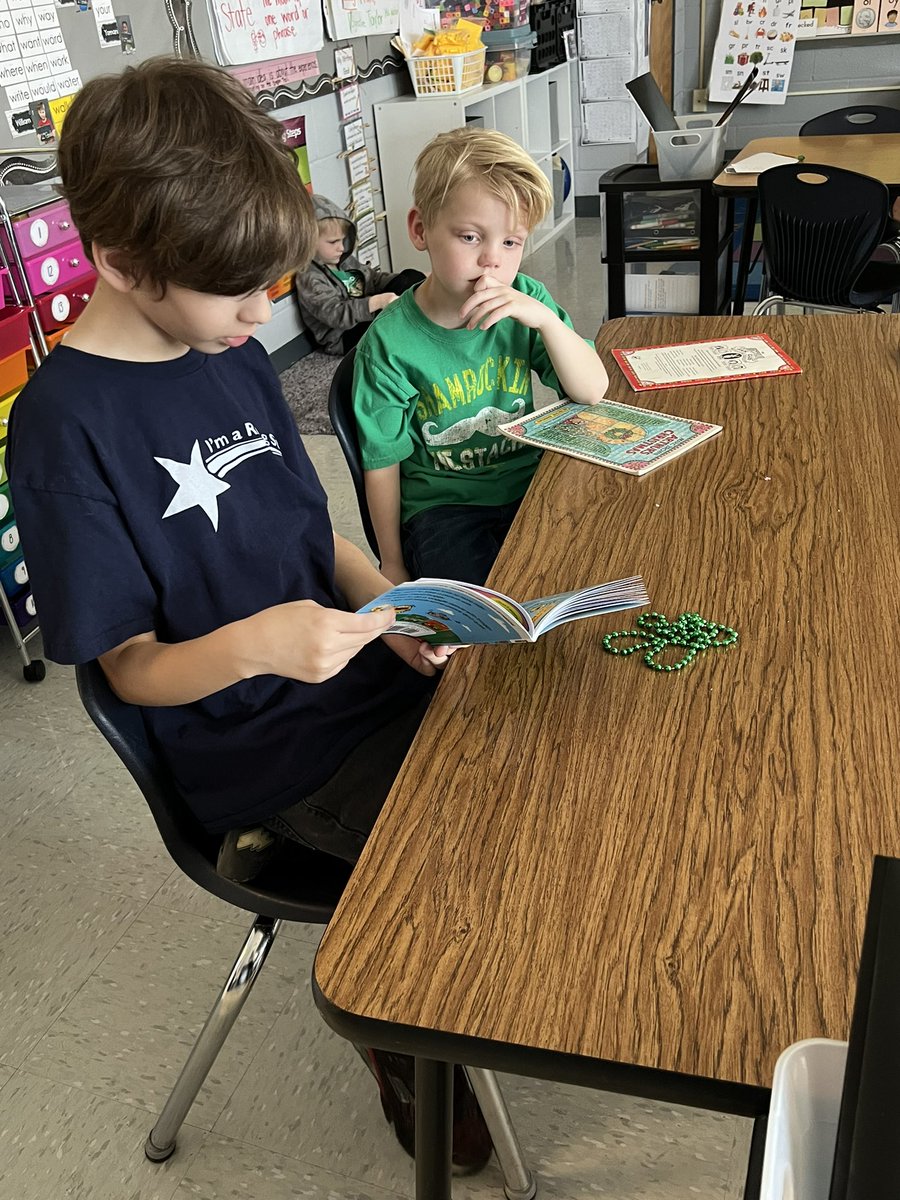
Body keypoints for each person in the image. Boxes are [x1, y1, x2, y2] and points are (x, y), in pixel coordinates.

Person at [7, 57, 490, 1172]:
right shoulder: (65, 429)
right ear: (123, 266)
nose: (265, 313)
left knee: (532, 751)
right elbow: (128, 668)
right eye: (241, 295)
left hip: (360, 672)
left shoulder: (219, 344)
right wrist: (263, 642)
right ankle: (404, 1034)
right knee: (467, 847)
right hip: (259, 747)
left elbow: (311, 535)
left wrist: (400, 604)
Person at [352, 126, 610, 588]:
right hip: (444, 510)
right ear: (420, 230)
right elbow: (382, 464)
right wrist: (391, 562)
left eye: (511, 242)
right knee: (477, 616)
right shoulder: (388, 346)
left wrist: (547, 321)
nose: (492, 259)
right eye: (471, 237)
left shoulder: (525, 301)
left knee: (592, 573)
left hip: (531, 485)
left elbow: (591, 390)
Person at [295, 194, 423, 356]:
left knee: (411, 277)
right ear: (310, 242)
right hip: (345, 335)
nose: (341, 247)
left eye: (342, 240)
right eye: (333, 242)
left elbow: (372, 279)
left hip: (366, 310)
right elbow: (336, 315)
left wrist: (399, 283)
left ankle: (420, 320)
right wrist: (376, 302)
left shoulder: (344, 260)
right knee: (386, 322)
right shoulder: (309, 278)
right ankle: (414, 330)